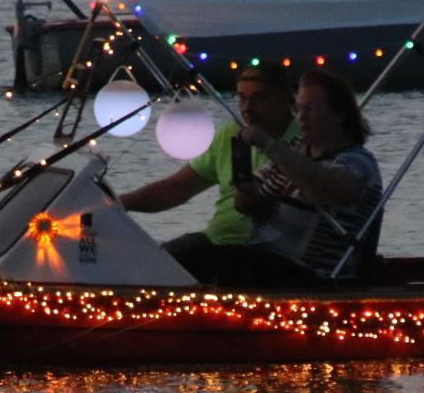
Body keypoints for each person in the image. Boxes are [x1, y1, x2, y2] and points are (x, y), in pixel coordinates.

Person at [198, 68, 383, 286]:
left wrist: (268, 144)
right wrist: (245, 187)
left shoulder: (357, 162)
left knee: (221, 260)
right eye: (298, 109)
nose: (302, 118)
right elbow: (246, 205)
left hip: (318, 274)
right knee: (190, 252)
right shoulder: (292, 150)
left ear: (338, 114)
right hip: (266, 261)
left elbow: (324, 191)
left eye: (311, 109)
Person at [118, 65, 298, 268]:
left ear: (285, 98)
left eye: (259, 99)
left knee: (162, 266)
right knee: (146, 260)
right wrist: (124, 201)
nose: (247, 108)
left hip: (264, 249)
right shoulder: (231, 132)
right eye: (242, 98)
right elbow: (178, 188)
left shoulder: (302, 140)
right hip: (215, 239)